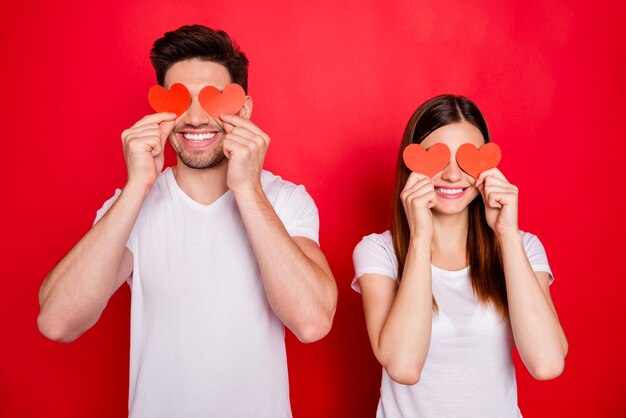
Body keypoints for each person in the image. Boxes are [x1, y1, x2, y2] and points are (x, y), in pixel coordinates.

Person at [37, 25, 337, 418]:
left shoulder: (284, 201)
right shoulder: (132, 206)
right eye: (180, 100)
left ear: (243, 110)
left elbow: (312, 323)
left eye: (213, 99)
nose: (195, 118)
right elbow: (58, 322)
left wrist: (247, 189)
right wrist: (136, 187)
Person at [352, 95, 567, 417]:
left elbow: (547, 363)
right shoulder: (378, 252)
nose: (453, 176)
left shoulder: (523, 247)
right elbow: (405, 366)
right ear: (411, 162)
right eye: (437, 158)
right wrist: (420, 236)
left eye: (467, 159)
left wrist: (507, 235)